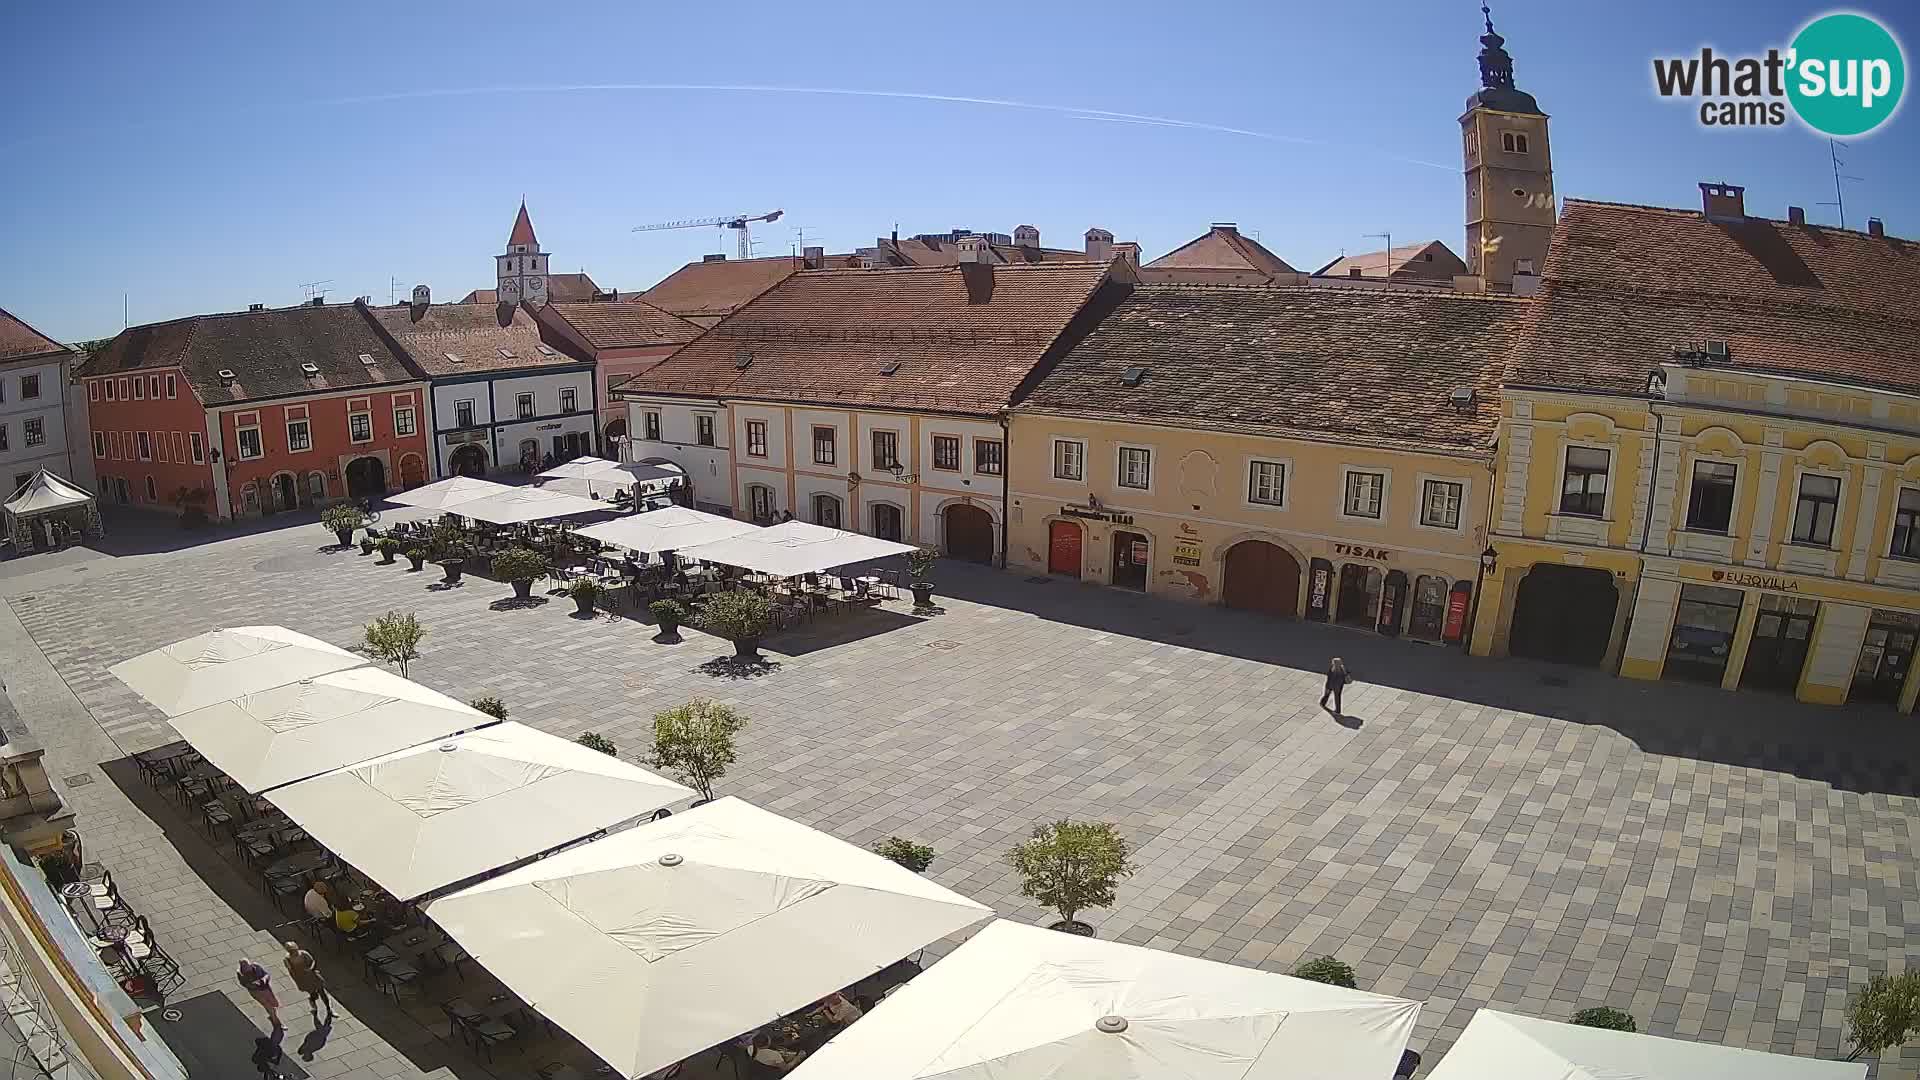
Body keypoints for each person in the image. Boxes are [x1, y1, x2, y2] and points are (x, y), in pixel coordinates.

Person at [282, 940, 332, 1021]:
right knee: (313, 994)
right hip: (302, 978)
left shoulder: (303, 953)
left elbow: (312, 961)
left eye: (294, 949)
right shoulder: (287, 959)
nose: (294, 951)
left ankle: (329, 1009)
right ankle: (314, 1006)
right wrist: (297, 981)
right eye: (291, 950)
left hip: (312, 975)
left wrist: (311, 969)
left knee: (322, 992)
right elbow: (291, 971)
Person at [236, 959, 280, 1025]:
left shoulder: (256, 966)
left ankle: (272, 1015)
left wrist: (264, 979)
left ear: (249, 964)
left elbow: (266, 974)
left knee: (275, 1004)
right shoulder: (241, 973)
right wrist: (254, 984)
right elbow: (244, 984)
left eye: (247, 966)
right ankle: (276, 1022)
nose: (246, 968)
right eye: (244, 967)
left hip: (266, 988)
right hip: (256, 992)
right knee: (268, 1007)